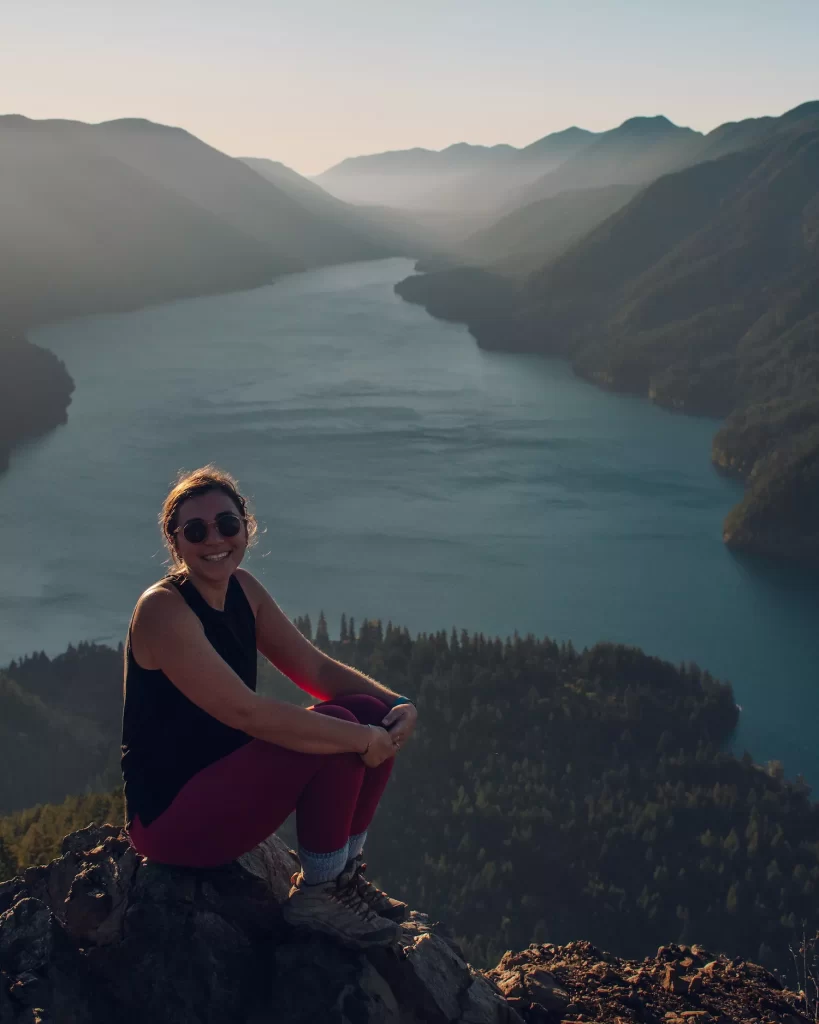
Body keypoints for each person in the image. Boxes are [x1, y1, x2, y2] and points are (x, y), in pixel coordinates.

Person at [121, 465, 418, 949]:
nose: (214, 538)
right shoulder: (163, 611)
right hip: (170, 820)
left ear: (246, 526)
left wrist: (396, 707)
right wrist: (362, 738)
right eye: (195, 530)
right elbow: (247, 714)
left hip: (228, 791)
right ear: (175, 543)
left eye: (227, 524)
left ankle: (340, 877)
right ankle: (320, 894)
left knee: (363, 708)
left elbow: (316, 671)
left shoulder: (245, 591)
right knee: (342, 727)